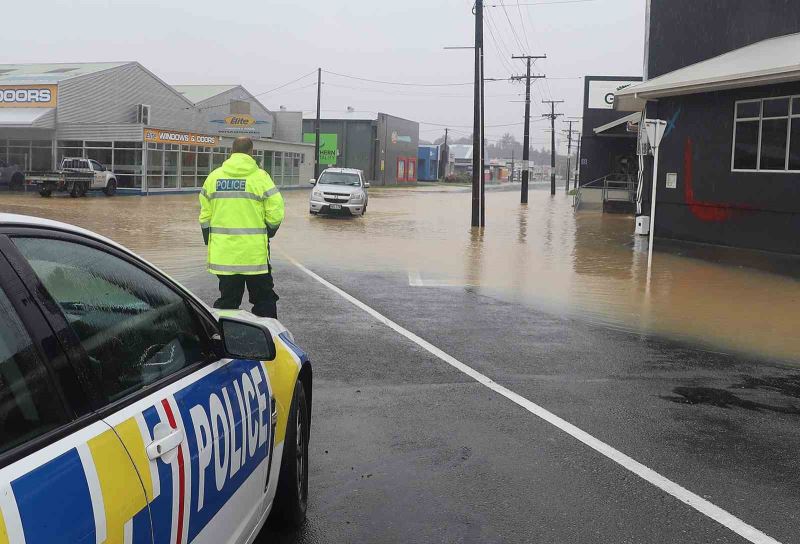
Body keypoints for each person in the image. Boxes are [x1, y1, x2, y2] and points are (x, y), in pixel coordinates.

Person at [199, 137, 284, 318]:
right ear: (251, 152)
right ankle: (269, 339)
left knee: (228, 302)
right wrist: (269, 231)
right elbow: (276, 212)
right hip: (255, 256)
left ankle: (223, 340)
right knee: (264, 300)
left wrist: (209, 237)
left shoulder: (214, 178)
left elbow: (205, 216)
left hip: (225, 255)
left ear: (231, 152)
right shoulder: (261, 178)